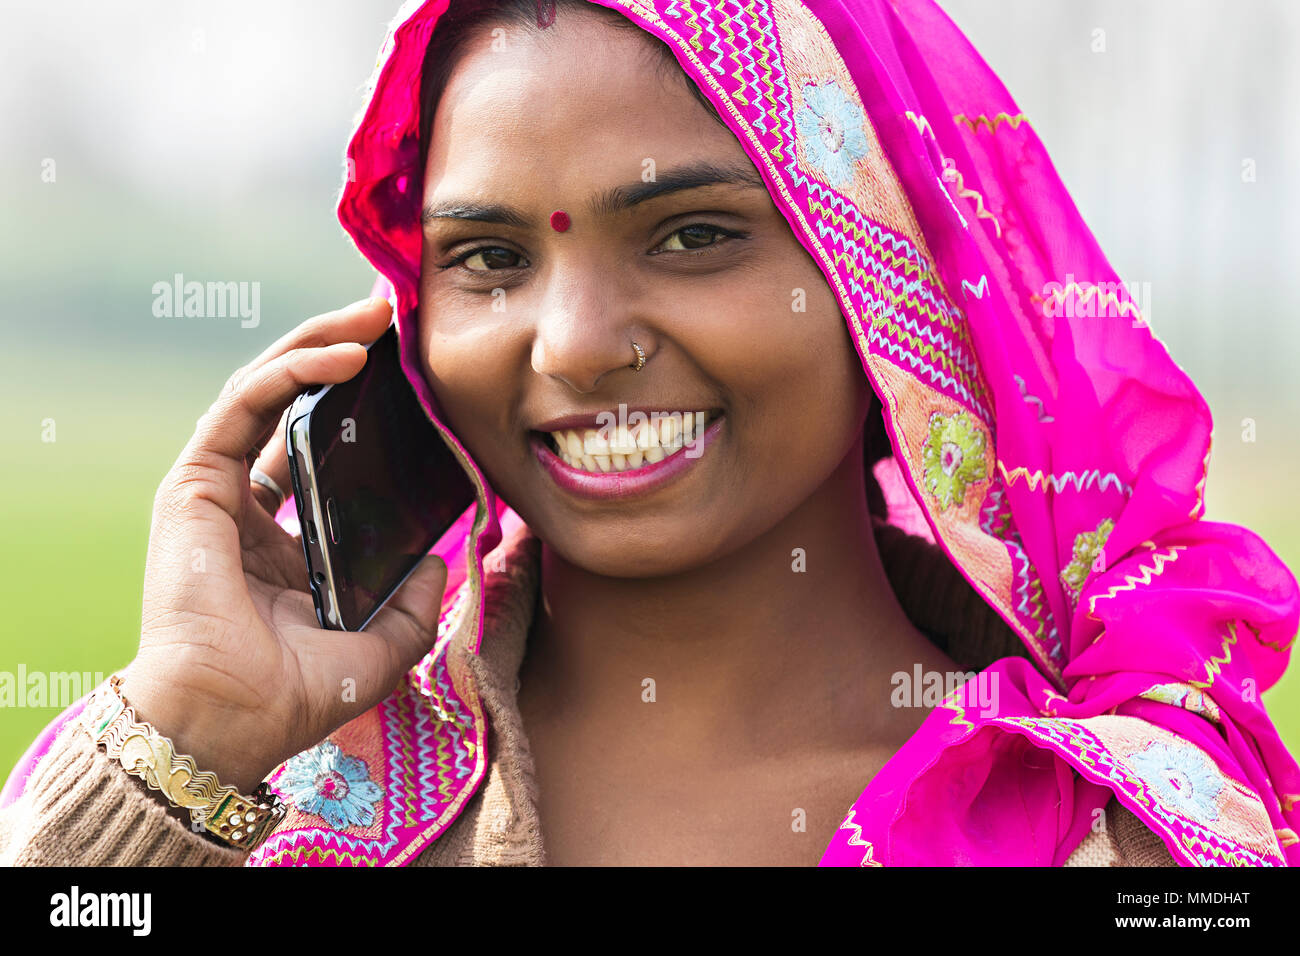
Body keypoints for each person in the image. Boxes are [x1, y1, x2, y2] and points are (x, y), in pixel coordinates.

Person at [2, 0, 1296, 867]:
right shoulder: (294, 796)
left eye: (692, 235)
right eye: (490, 259)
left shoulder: (1132, 835)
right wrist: (182, 738)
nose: (570, 344)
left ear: (891, 281)